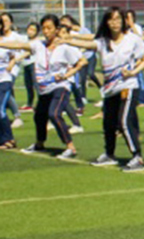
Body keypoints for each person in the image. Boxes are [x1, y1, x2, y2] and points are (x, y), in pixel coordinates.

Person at [65, 7, 144, 171]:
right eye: (111, 19)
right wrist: (67, 41)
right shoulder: (103, 41)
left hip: (127, 86)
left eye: (118, 19)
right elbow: (89, 44)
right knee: (108, 123)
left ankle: (137, 157)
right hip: (110, 89)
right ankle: (109, 154)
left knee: (124, 121)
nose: (115, 23)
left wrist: (132, 72)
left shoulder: (133, 39)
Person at [1, 15, 86, 159]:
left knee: (54, 114)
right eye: (44, 28)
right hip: (44, 89)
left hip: (60, 87)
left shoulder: (65, 48)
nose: (46, 31)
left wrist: (67, 75)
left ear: (57, 29)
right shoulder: (38, 45)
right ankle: (39, 143)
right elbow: (18, 45)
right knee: (39, 116)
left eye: (49, 28)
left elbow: (82, 61)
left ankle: (70, 147)